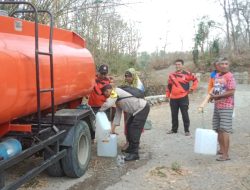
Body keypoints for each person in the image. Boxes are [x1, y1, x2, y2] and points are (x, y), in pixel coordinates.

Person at [99, 84, 150, 161]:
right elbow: (117, 116)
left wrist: (100, 110)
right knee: (128, 126)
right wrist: (112, 130)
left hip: (142, 108)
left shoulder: (115, 91)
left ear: (108, 90)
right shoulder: (117, 100)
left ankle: (135, 154)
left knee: (134, 130)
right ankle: (131, 148)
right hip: (137, 111)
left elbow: (108, 104)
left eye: (105, 93)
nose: (105, 96)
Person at [209, 57, 236, 161]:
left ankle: (226, 155)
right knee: (217, 128)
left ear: (228, 65)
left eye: (226, 63)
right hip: (217, 105)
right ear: (218, 66)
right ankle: (221, 150)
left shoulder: (230, 76)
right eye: (222, 64)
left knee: (224, 130)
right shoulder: (217, 75)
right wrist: (213, 97)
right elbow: (217, 90)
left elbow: (231, 91)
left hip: (227, 106)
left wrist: (217, 97)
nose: (224, 65)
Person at [166, 59, 198, 136]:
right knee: (174, 114)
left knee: (185, 114)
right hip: (173, 98)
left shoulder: (187, 74)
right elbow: (169, 86)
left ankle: (186, 130)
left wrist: (192, 88)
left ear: (182, 65)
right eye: (176, 64)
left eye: (179, 64)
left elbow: (195, 80)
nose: (177, 66)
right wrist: (167, 95)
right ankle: (174, 129)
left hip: (183, 97)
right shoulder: (171, 75)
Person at [122, 68, 145, 151]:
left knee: (136, 126)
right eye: (126, 76)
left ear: (134, 76)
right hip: (127, 109)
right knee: (127, 125)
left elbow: (141, 97)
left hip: (137, 109)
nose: (127, 78)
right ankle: (128, 142)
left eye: (129, 76)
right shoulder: (124, 84)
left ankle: (135, 143)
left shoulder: (139, 86)